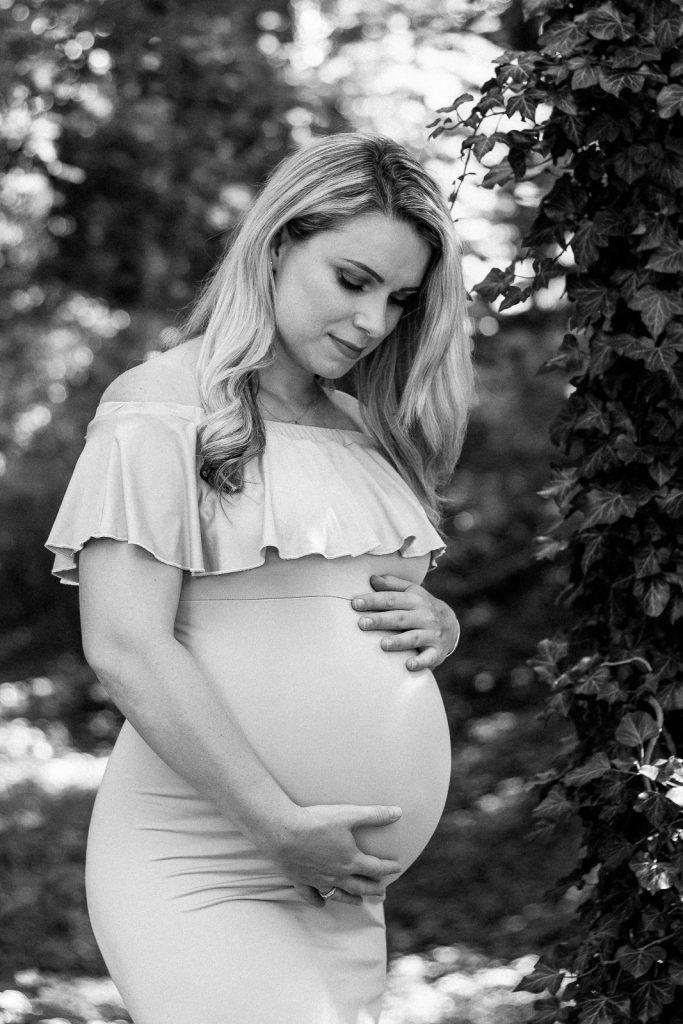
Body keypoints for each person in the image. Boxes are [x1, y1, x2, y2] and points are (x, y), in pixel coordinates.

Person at [45, 132, 475, 1024]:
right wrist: (275, 825)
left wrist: (439, 623)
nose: (371, 323)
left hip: (337, 882)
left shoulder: (366, 431)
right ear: (278, 241)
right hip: (208, 857)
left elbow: (330, 606)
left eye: (398, 300)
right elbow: (125, 645)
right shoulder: (160, 406)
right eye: (350, 281)